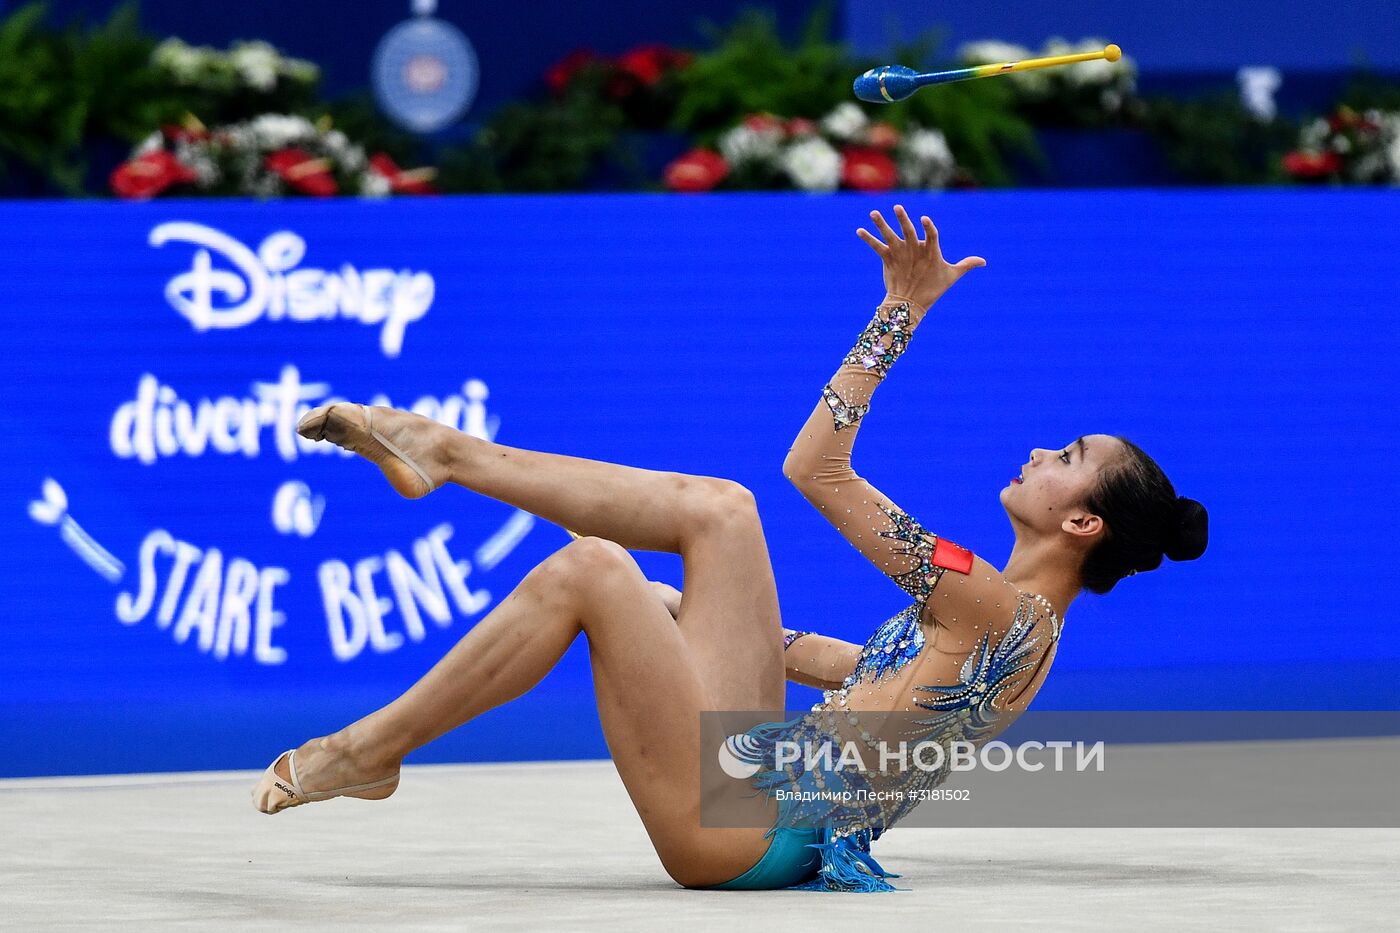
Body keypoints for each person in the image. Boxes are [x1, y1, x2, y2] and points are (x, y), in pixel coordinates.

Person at [251, 205, 1208, 892]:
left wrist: (901, 314)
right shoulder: (1012, 630)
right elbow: (821, 663)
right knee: (711, 517)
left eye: (1071, 458)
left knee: (597, 562)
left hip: (749, 827)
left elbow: (819, 468)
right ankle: (446, 453)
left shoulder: (986, 602)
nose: (1043, 450)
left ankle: (367, 742)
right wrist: (672, 619)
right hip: (757, 785)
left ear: (1085, 524)